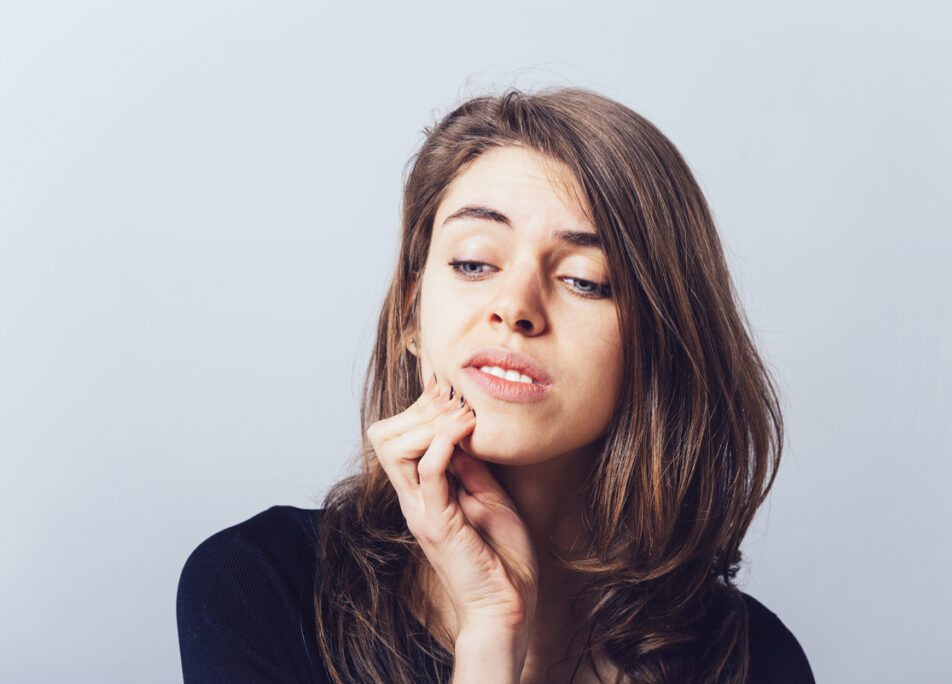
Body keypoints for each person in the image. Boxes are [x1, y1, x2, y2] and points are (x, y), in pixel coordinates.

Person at [176, 87, 815, 684]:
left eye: (586, 279)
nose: (515, 307)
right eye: (474, 263)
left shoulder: (755, 660)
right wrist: (490, 632)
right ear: (410, 316)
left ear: (664, 345)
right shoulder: (261, 584)